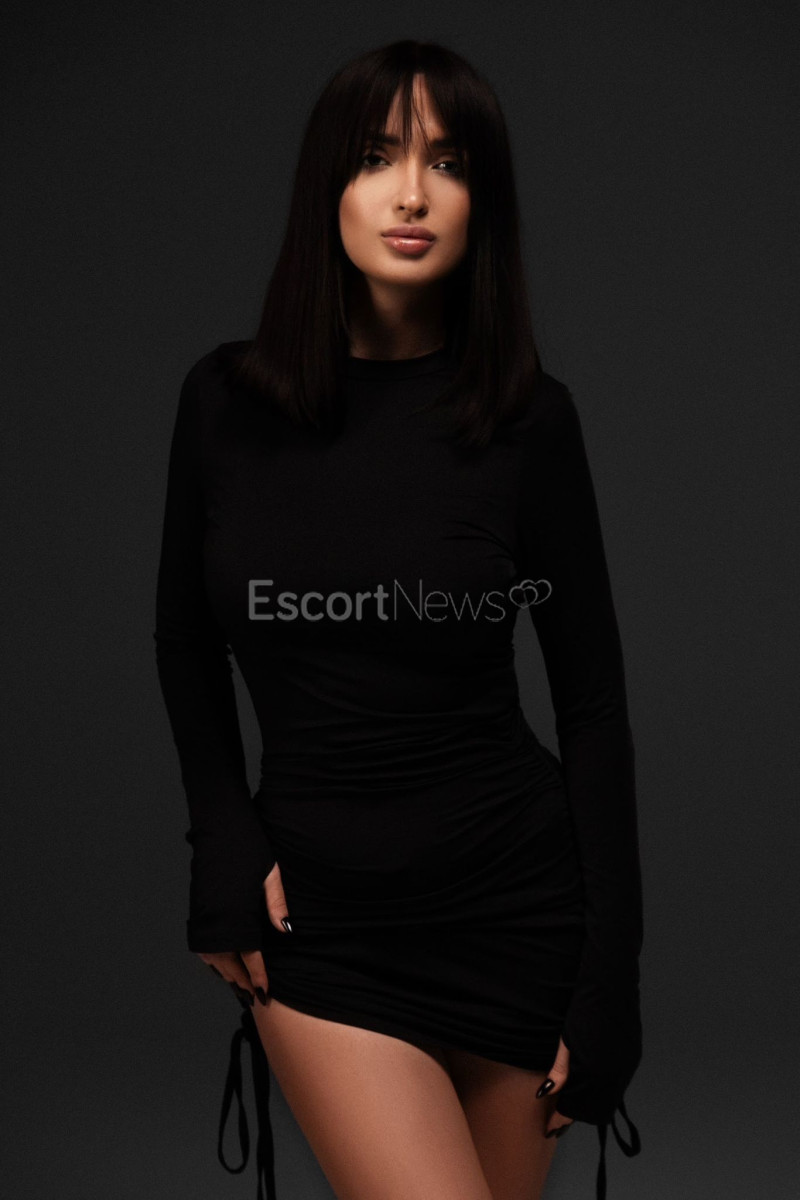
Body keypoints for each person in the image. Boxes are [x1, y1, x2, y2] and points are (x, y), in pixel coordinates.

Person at [153, 38, 643, 1200]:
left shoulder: (528, 422)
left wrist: (610, 976)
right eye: (376, 157)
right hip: (324, 928)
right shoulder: (223, 402)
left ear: (484, 203)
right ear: (325, 186)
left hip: (517, 909)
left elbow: (591, 705)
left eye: (448, 163)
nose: (412, 193)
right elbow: (184, 638)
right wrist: (221, 839)